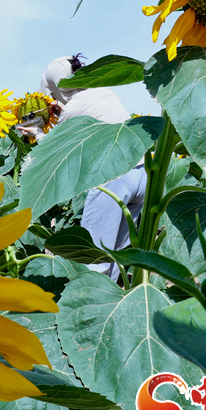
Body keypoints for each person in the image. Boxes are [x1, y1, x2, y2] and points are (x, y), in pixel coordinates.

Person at [42, 54, 138, 282]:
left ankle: (88, 304)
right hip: (140, 174)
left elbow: (54, 152)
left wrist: (36, 133)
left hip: (114, 179)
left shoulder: (73, 108)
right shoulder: (104, 92)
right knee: (117, 257)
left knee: (94, 261)